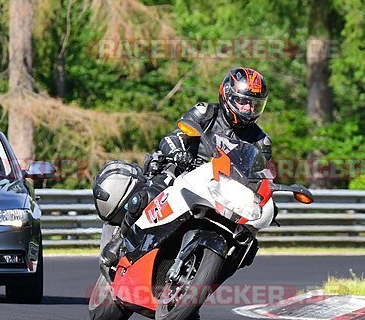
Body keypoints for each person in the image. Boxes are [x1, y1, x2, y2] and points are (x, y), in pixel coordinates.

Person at [100, 67, 272, 267]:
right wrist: (178, 152)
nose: (248, 109)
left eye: (253, 104)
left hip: (223, 188)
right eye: (242, 102)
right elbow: (175, 135)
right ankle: (120, 239)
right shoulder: (206, 112)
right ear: (227, 95)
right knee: (149, 195)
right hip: (184, 170)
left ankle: (207, 275)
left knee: (247, 241)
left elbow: (261, 173)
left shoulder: (261, 140)